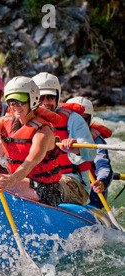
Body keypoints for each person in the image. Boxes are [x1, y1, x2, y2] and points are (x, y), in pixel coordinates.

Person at [0, 76, 63, 207]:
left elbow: (29, 163)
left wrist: (10, 181)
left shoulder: (43, 132)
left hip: (47, 190)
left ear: (33, 99)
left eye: (20, 102)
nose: (15, 106)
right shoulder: (7, 120)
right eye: (11, 102)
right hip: (23, 181)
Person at [32, 72, 96, 205]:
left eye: (50, 97)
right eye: (40, 98)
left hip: (72, 182)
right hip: (36, 180)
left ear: (57, 97)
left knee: (47, 189)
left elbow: (91, 153)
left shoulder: (73, 119)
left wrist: (77, 149)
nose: (45, 103)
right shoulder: (24, 121)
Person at [66, 96, 113, 208]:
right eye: (75, 119)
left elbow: (103, 166)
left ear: (89, 119)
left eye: (83, 119)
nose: (78, 124)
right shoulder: (55, 136)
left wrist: (102, 181)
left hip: (92, 192)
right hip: (66, 184)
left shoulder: (96, 141)